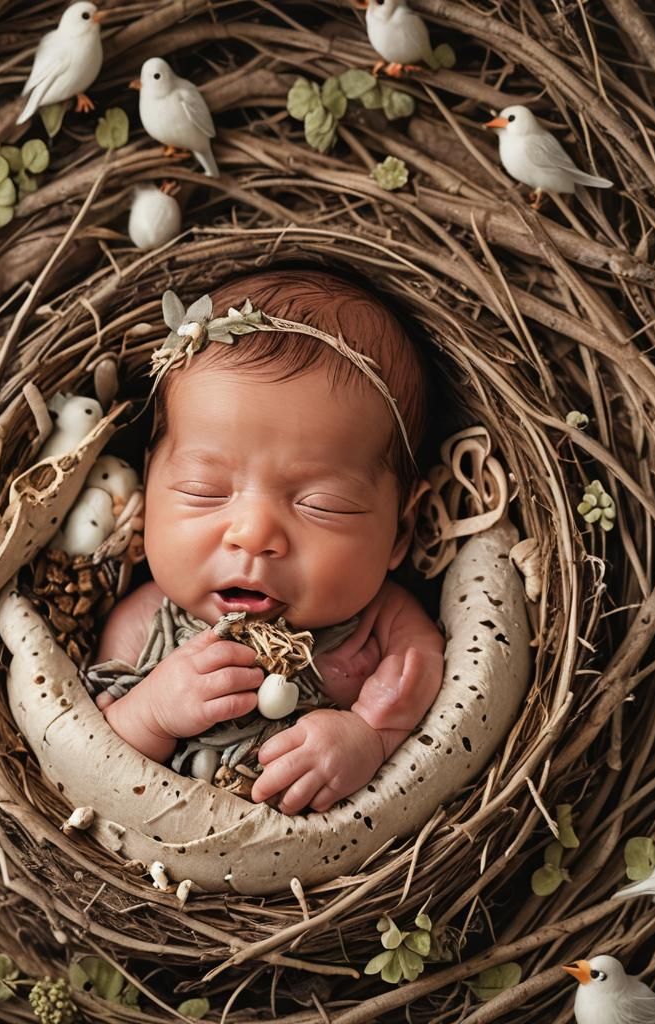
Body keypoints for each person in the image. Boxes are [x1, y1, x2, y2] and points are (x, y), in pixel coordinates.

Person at [92, 268, 446, 814]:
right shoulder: (143, 625)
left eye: (320, 504)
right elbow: (96, 763)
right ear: (149, 487)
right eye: (203, 490)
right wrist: (150, 713)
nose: (253, 535)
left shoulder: (387, 626)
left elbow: (425, 684)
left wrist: (369, 735)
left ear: (401, 530)